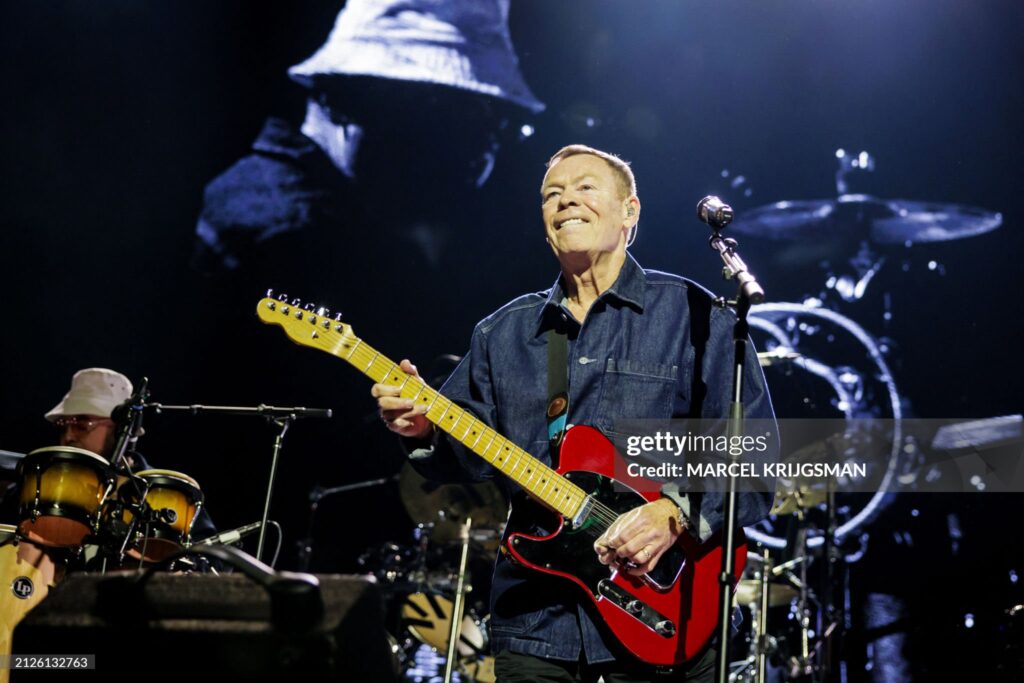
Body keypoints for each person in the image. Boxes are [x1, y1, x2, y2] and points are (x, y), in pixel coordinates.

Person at [372, 145, 776, 682]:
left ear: (629, 211)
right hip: (536, 620)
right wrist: (424, 430)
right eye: (552, 195)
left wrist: (673, 513)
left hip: (669, 613)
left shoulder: (696, 316)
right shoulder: (503, 333)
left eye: (585, 187)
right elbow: (464, 461)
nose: (566, 201)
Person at [193, 0, 544, 275]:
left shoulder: (337, 213)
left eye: (495, 124)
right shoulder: (294, 239)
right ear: (344, 98)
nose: (479, 154)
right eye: (450, 118)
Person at [41, 368, 215, 550]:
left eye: (81, 424)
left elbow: (211, 557)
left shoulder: (166, 493)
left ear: (120, 427)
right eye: (63, 426)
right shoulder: (51, 486)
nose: (68, 436)